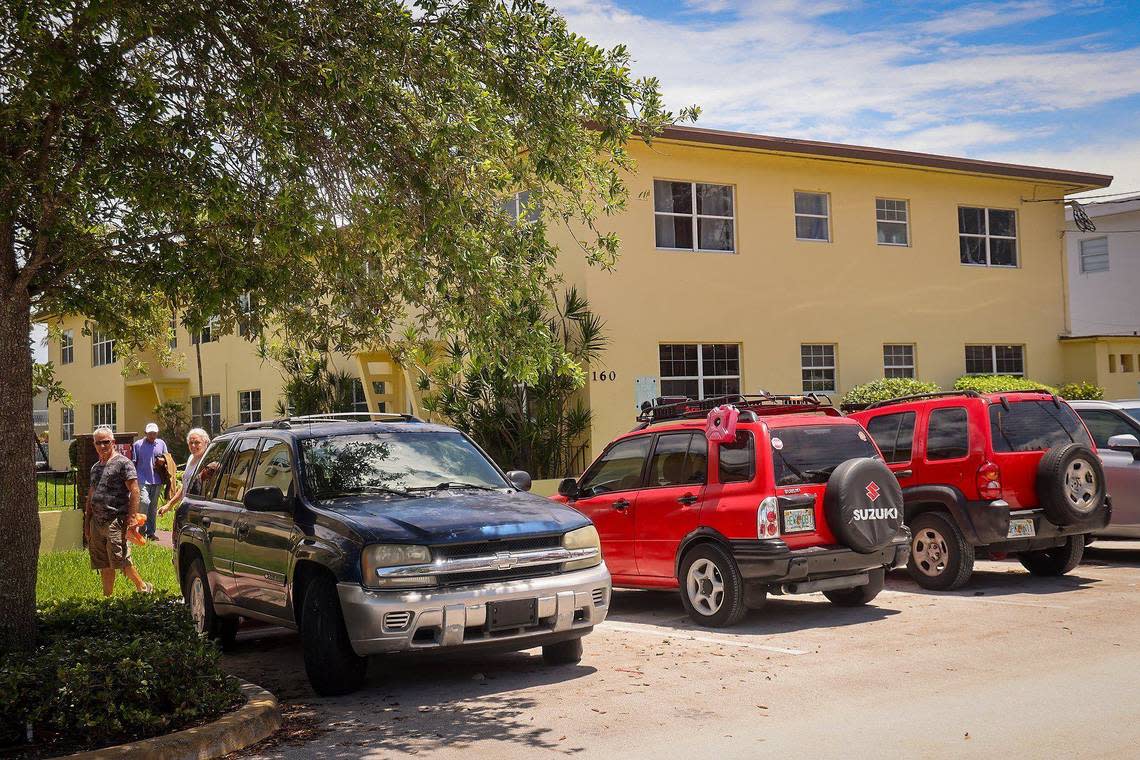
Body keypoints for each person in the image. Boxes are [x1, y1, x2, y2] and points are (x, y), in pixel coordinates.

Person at [86, 426, 153, 595]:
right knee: (104, 563)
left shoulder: (123, 463)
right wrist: (87, 523)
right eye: (98, 443)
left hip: (116, 521)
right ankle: (108, 598)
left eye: (106, 442)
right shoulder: (95, 467)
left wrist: (131, 520)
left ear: (113, 443)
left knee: (121, 561)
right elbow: (91, 494)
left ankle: (143, 587)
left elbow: (135, 491)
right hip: (97, 522)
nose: (102, 446)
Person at [159, 427, 211, 545]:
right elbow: (185, 485)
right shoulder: (191, 458)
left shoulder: (208, 462)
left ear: (206, 442)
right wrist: (169, 505)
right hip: (186, 508)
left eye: (197, 442)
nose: (193, 446)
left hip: (200, 511)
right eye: (190, 443)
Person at [132, 422, 169, 541]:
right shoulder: (138, 445)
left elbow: (167, 458)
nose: (152, 435)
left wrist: (162, 460)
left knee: (153, 507)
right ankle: (141, 531)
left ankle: (151, 532)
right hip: (142, 478)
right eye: (150, 433)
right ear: (145, 433)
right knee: (145, 502)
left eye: (154, 433)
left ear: (157, 433)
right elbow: (133, 462)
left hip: (157, 479)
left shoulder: (161, 443)